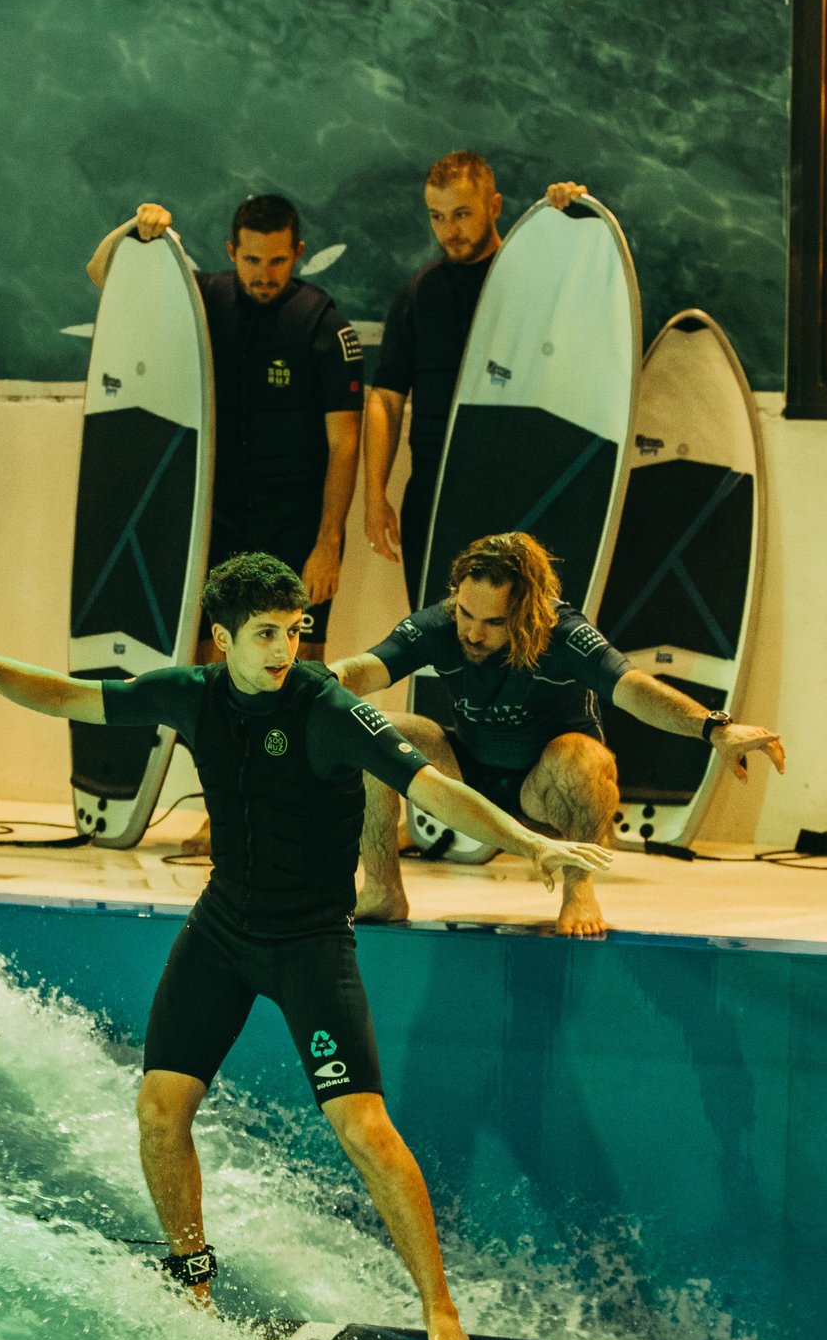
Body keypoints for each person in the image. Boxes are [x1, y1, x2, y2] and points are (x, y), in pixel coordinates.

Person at [0, 554, 611, 1340]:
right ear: (223, 639)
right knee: (159, 1109)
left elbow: (428, 787)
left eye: (294, 631)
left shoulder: (328, 708)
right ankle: (192, 1280)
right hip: (221, 932)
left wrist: (527, 839)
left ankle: (441, 1312)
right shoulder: (191, 693)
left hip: (310, 943)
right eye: (267, 634)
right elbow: (68, 695)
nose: (285, 649)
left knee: (366, 1130)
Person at [331, 532, 786, 938]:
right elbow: (363, 670)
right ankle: (383, 888)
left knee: (584, 756)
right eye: (466, 613)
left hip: (546, 793)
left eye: (493, 623)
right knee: (374, 730)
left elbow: (636, 690)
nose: (471, 631)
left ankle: (578, 889)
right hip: (470, 781)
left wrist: (714, 727)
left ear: (528, 611)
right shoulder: (441, 624)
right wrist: (294, 682)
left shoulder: (564, 635)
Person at [85, 193, 362, 659]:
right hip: (220, 519)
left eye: (277, 261)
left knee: (296, 667)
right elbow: (102, 273)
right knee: (209, 662)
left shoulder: (323, 327)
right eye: (251, 259)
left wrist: (328, 543)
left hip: (296, 524)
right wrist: (135, 227)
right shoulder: (202, 301)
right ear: (231, 251)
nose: (264, 275)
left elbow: (345, 445)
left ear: (299, 252)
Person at [364, 153, 591, 613]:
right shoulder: (418, 292)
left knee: (524, 638)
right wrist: (375, 496)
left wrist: (579, 220)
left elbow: (593, 310)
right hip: (434, 493)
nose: (449, 230)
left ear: (494, 206)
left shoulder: (534, 281)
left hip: (520, 489)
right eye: (437, 216)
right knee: (440, 639)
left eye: (462, 214)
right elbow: (386, 399)